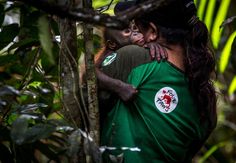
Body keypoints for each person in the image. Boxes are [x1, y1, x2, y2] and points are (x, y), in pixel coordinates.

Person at [99, 0, 217, 162]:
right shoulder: (207, 98)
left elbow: (83, 99)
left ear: (152, 31)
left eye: (137, 26)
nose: (135, 34)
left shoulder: (134, 57)